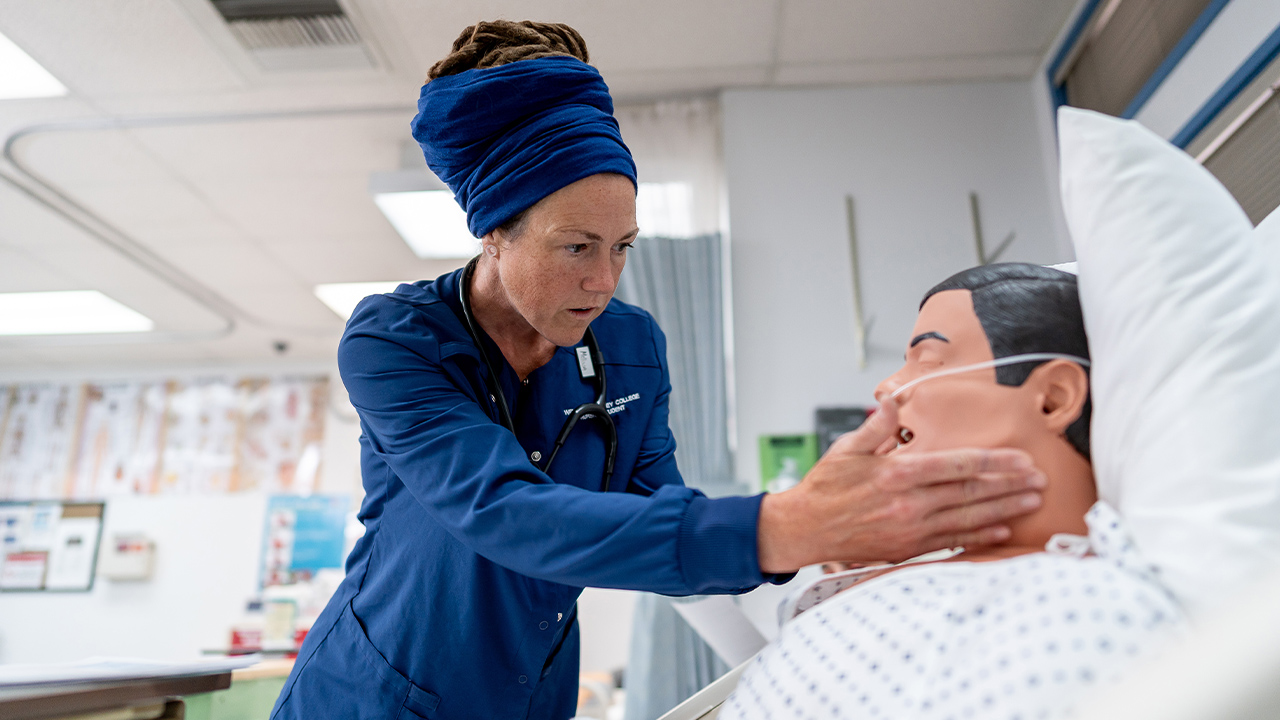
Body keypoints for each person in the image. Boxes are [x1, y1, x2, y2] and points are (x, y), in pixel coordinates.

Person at [269, 22, 1045, 720]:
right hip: (373, 696)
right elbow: (504, 513)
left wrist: (811, 606)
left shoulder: (631, 343)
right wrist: (787, 523)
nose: (605, 282)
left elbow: (665, 520)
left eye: (624, 247)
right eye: (577, 247)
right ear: (494, 236)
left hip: (530, 693)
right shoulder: (397, 340)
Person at [721, 264, 1187, 720]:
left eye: (927, 360)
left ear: (1053, 397)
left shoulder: (1095, 611)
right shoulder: (895, 570)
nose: (886, 386)